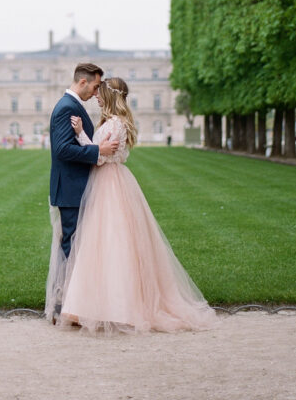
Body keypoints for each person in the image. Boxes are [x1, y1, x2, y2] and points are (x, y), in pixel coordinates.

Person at [46, 76, 217, 334]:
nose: (96, 96)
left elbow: (101, 157)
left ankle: (111, 307)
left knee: (109, 244)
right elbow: (99, 151)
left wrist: (81, 134)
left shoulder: (114, 124)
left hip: (107, 183)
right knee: (105, 244)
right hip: (109, 182)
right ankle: (97, 305)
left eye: (100, 93)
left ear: (110, 96)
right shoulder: (115, 122)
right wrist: (90, 142)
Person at [48, 63, 120, 271]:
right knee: (71, 245)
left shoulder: (70, 104)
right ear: (82, 82)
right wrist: (98, 151)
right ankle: (66, 296)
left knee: (77, 244)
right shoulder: (68, 106)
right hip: (72, 188)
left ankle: (71, 294)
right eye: (96, 86)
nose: (97, 92)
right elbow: (62, 149)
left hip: (74, 187)